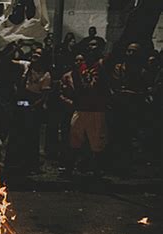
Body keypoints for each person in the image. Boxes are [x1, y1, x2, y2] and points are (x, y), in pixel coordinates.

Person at [60, 47, 111, 177]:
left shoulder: (100, 66)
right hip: (81, 108)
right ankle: (69, 168)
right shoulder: (81, 68)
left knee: (97, 142)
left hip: (96, 109)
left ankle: (97, 171)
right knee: (74, 138)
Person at [7, 48, 51, 173]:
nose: (35, 55)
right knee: (16, 134)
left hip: (33, 106)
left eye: (39, 54)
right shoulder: (26, 66)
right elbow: (11, 62)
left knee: (30, 136)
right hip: (21, 102)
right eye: (34, 53)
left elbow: (44, 95)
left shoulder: (45, 75)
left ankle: (30, 164)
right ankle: (14, 162)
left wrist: (32, 106)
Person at [110, 42, 149, 174]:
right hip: (119, 108)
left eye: (134, 52)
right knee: (116, 136)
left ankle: (125, 165)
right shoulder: (119, 68)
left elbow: (142, 91)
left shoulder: (142, 72)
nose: (131, 54)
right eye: (129, 51)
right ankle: (114, 165)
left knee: (129, 138)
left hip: (133, 109)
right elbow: (116, 88)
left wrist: (131, 93)